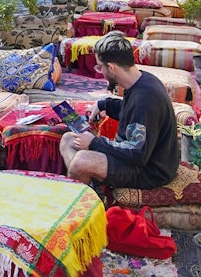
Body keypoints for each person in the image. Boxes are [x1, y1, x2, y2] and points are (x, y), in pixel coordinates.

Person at [59, 31, 179, 190]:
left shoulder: (144, 99)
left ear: (112, 67)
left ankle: (84, 205)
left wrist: (94, 142)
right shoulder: (141, 80)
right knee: (68, 139)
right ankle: (90, 187)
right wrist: (103, 105)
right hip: (136, 155)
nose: (99, 71)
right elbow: (129, 110)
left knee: (81, 162)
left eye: (100, 67)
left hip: (150, 170)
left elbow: (137, 154)